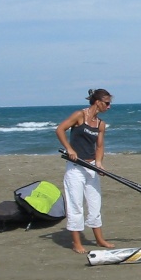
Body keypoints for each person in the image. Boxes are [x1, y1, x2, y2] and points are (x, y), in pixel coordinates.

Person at [56, 88, 115, 254]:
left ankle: (99, 239)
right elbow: (60, 130)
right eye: (107, 103)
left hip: (91, 168)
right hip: (75, 168)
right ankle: (76, 243)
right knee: (76, 205)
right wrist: (69, 149)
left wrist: (99, 164)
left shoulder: (101, 124)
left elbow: (100, 146)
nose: (109, 107)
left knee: (95, 204)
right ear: (98, 102)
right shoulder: (79, 116)